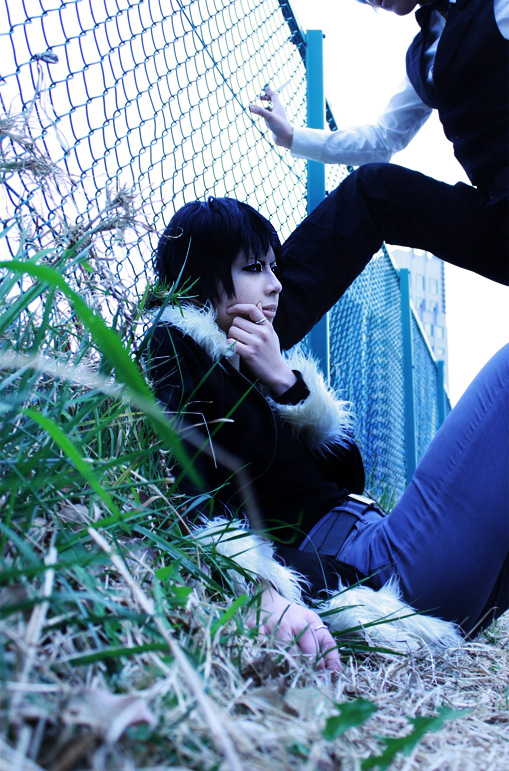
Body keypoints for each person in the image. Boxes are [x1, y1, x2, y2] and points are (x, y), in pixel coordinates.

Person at [148, 197, 509, 671]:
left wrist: (286, 382)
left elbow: (349, 476)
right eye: (254, 268)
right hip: (375, 575)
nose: (275, 284)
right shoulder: (175, 349)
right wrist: (261, 589)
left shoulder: (259, 375)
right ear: (200, 276)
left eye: (274, 267)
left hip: (389, 550)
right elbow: (183, 492)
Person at [249, 0, 509, 350]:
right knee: (375, 190)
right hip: (498, 216)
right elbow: (384, 138)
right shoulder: (424, 55)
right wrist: (293, 136)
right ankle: (255, 335)